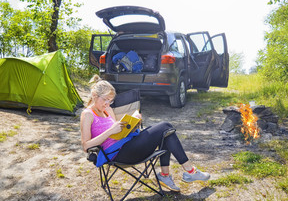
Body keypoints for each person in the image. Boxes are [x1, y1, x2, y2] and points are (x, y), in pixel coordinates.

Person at [80, 75, 210, 192]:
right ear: (95, 96)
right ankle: (189, 171)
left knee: (167, 133)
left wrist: (133, 120)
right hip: (118, 154)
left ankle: (166, 176)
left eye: (110, 100)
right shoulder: (87, 115)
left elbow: (117, 130)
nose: (108, 103)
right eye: (105, 100)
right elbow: (86, 146)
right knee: (165, 126)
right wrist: (110, 131)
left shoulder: (107, 110)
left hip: (127, 144)